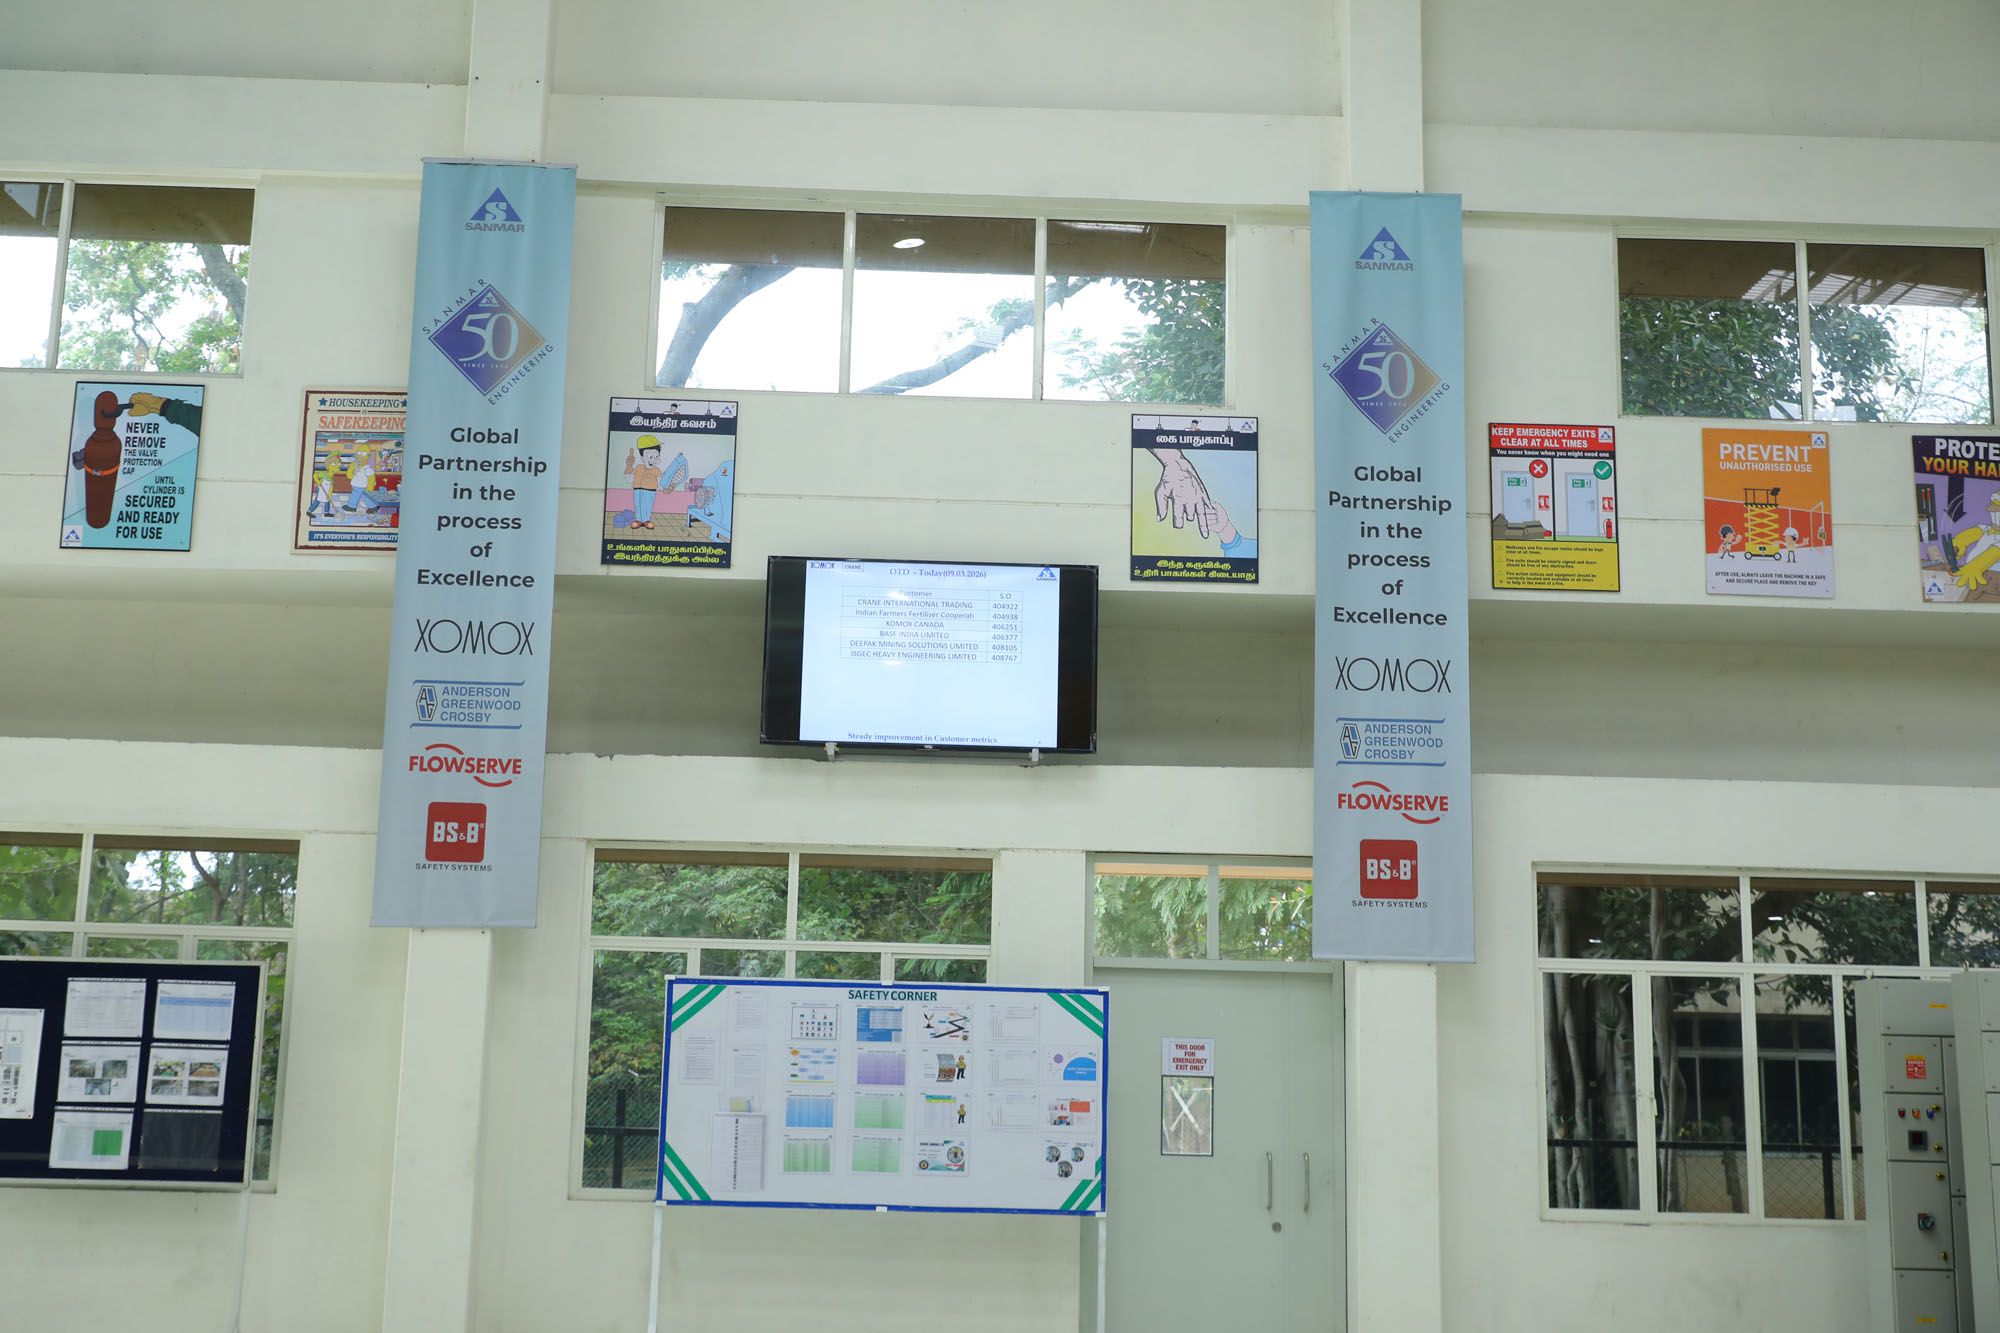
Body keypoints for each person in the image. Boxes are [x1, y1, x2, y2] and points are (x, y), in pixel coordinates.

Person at [624, 436, 665, 530]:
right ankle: (638, 520)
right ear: (642, 458)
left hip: (650, 491)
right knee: (637, 505)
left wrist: (665, 488)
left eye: (656, 456)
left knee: (647, 506)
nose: (653, 459)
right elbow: (629, 479)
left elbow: (661, 483)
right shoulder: (638, 467)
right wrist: (629, 465)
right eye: (650, 457)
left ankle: (646, 520)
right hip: (637, 490)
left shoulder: (656, 470)